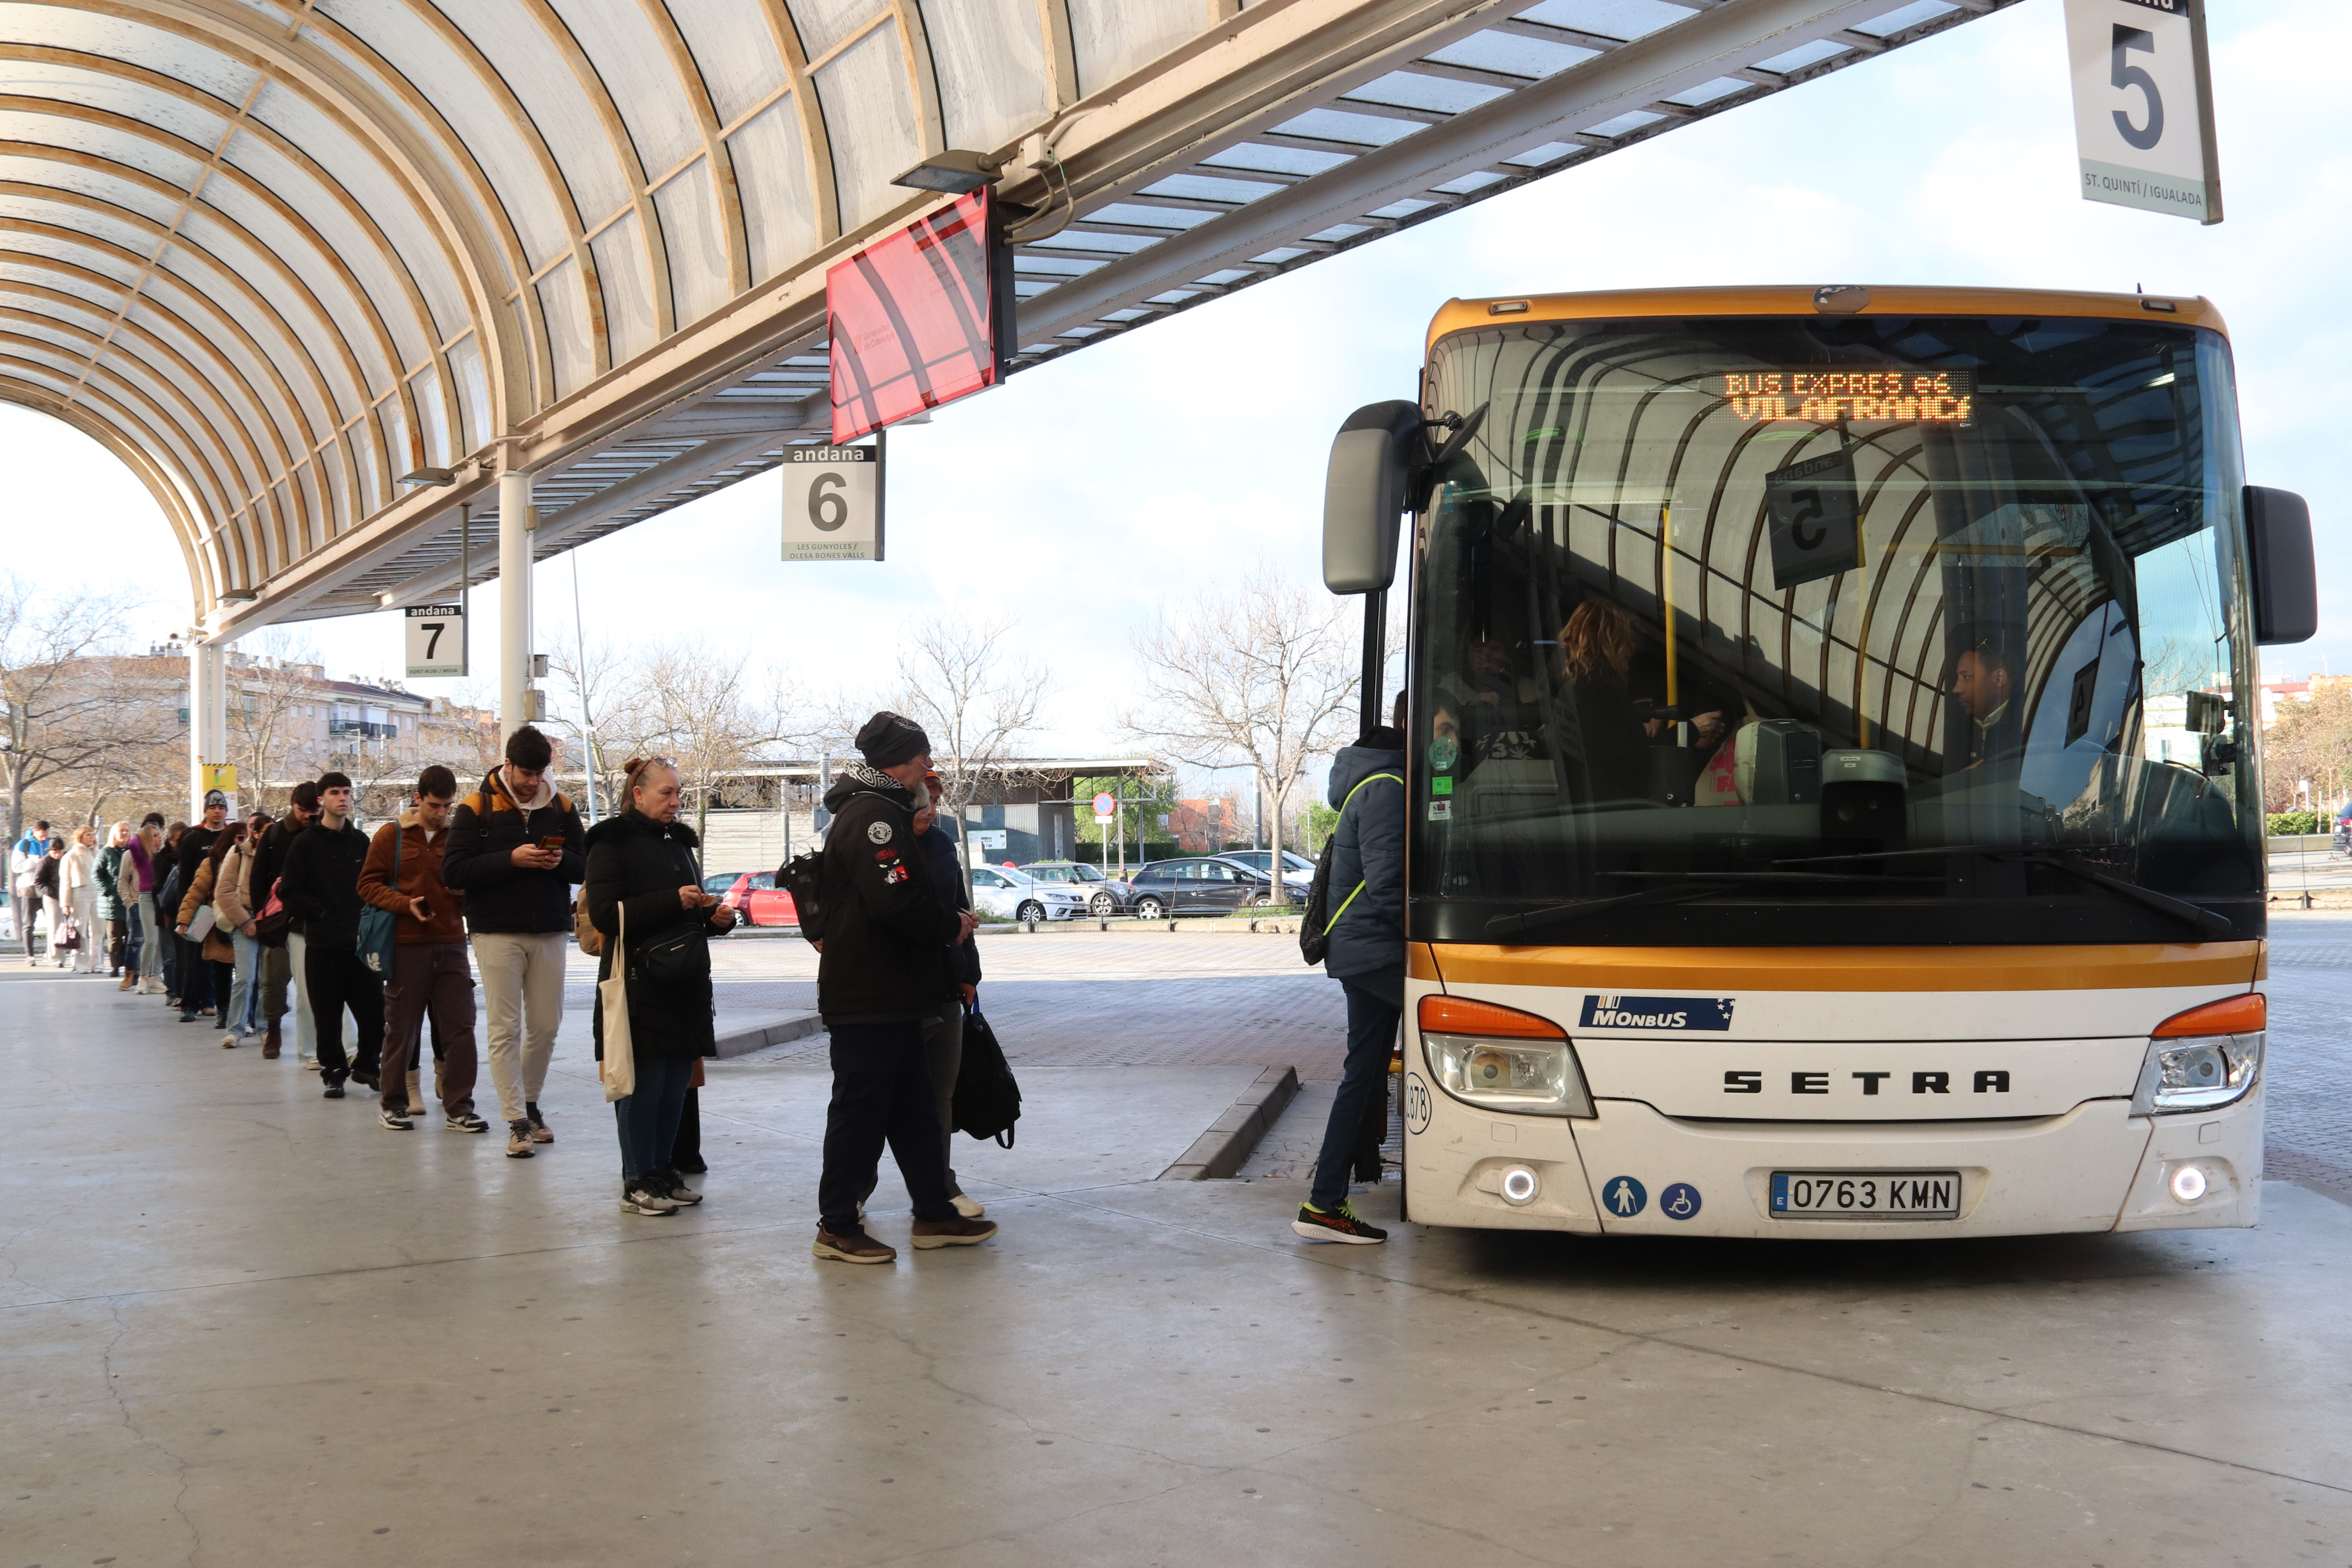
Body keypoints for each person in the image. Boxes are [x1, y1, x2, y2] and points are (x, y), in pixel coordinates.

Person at [809, 712, 997, 1264]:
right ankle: (837, 1226)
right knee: (859, 1113)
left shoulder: (885, 809)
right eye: (921, 756)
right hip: (869, 996)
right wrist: (950, 925)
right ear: (898, 759)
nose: (928, 766)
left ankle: (934, 1213)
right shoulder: (874, 817)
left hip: (895, 993)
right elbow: (891, 900)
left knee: (915, 1109)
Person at [584, 757, 736, 1215]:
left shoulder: (678, 843)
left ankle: (663, 1170)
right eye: (666, 793)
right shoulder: (612, 842)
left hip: (683, 980)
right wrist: (674, 899)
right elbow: (605, 915)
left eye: (678, 793)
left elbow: (683, 916)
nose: (675, 802)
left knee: (676, 1083)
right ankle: (636, 1180)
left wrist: (713, 918)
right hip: (638, 981)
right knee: (643, 1083)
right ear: (638, 795)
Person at [443, 725, 585, 1158]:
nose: (532, 781)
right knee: (505, 1028)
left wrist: (560, 861)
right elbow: (454, 873)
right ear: (508, 766)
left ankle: (531, 1103)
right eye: (525, 772)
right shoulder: (475, 808)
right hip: (495, 932)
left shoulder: (561, 806)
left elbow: (584, 867)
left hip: (550, 930)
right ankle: (516, 1121)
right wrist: (511, 859)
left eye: (540, 772)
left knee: (545, 1025)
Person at [1296, 696, 1407, 1245]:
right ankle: (1323, 1200)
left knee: (1361, 1074)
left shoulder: (1369, 781)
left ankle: (1324, 1201)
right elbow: (1388, 887)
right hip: (1376, 952)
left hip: (1361, 950)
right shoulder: (1389, 787)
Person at [858, 771, 986, 1219]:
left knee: (940, 1095)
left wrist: (970, 971)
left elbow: (960, 904)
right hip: (894, 989)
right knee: (878, 1098)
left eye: (936, 802)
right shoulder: (880, 844)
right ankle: (856, 1190)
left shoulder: (942, 843)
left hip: (945, 983)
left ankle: (941, 1188)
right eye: (923, 801)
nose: (930, 810)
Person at [357, 766, 487, 1134]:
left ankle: (459, 1107)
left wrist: (465, 893)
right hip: (406, 945)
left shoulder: (460, 836)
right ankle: (393, 1104)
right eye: (434, 805)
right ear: (419, 798)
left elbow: (475, 881)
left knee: (461, 1027)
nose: (441, 813)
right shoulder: (391, 835)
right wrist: (403, 903)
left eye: (448, 806)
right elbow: (367, 885)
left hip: (451, 944)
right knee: (401, 1029)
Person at [276, 772, 383, 1098]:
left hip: (359, 946)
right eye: (335, 792)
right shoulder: (305, 844)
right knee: (328, 1016)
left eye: (347, 792)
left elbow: (374, 886)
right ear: (321, 800)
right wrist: (321, 912)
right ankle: (334, 1071)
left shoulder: (361, 841)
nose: (343, 798)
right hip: (322, 945)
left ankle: (366, 1065)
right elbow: (289, 892)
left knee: (374, 1014)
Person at [251, 782, 319, 1063]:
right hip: (280, 922)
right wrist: (262, 917)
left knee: (315, 984)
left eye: (313, 810)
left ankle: (320, 1040)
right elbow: (257, 878)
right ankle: (274, 1029)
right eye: (303, 811)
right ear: (293, 805)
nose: (308, 816)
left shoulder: (323, 831)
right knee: (275, 979)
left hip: (314, 918)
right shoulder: (275, 834)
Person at [176, 823, 246, 1041]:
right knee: (222, 971)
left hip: (249, 923)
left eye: (245, 837)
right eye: (239, 838)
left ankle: (250, 1015)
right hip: (221, 925)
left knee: (248, 975)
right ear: (229, 839)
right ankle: (224, 1011)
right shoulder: (212, 863)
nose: (243, 842)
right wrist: (184, 920)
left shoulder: (253, 860)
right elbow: (195, 891)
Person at [213, 816, 268, 1047]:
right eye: (265, 831)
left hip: (272, 923)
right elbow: (223, 892)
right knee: (245, 977)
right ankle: (235, 1029)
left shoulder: (282, 855)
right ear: (254, 833)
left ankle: (265, 1028)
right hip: (245, 919)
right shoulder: (238, 853)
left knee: (268, 981)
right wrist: (246, 922)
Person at [1952, 638, 2018, 766]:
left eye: (1967, 677)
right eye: (1958, 678)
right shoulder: (1959, 727)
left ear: (1999, 678)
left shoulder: (2027, 725)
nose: (1956, 689)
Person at [122, 816, 165, 994]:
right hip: (146, 898)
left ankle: (156, 975)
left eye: (160, 834)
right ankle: (143, 977)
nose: (160, 838)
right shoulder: (140, 857)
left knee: (162, 940)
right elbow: (132, 843)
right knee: (150, 940)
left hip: (162, 898)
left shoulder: (164, 855)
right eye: (155, 835)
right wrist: (145, 832)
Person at [64, 826, 102, 973]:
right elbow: (66, 880)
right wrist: (66, 903)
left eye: (92, 835)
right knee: (80, 930)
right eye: (88, 835)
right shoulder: (72, 855)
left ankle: (97, 962)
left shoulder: (97, 853)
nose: (91, 837)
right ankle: (81, 963)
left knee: (98, 930)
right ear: (80, 837)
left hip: (97, 893)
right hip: (79, 893)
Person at [96, 823, 128, 978]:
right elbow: (97, 874)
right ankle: (115, 966)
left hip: (130, 899)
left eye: (127, 831)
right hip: (112, 902)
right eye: (121, 831)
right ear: (114, 833)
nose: (124, 833)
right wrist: (107, 890)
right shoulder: (106, 852)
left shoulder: (133, 852)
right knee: (114, 938)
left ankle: (131, 967)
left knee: (132, 936)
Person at [30, 833, 64, 967]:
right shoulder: (45, 861)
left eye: (60, 852)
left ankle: (52, 954)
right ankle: (57, 957)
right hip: (51, 897)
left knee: (69, 927)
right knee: (54, 927)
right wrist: (52, 892)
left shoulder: (66, 858)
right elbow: (38, 882)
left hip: (66, 895)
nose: (58, 855)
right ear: (50, 851)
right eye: (55, 852)